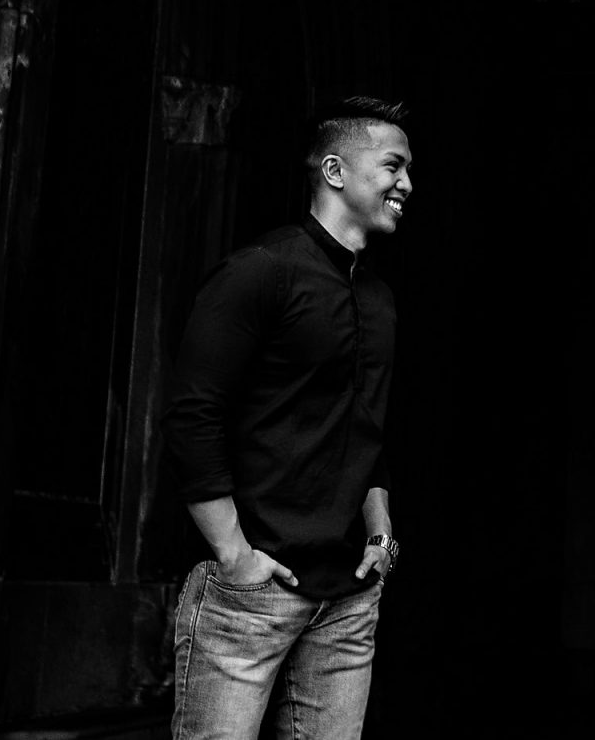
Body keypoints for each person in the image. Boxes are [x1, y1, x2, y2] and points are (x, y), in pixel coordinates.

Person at [164, 96, 414, 740]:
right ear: (335, 171)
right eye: (393, 167)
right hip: (255, 589)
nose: (407, 185)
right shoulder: (260, 271)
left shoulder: (380, 298)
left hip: (349, 599)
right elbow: (193, 413)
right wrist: (233, 553)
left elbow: (367, 430)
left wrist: (381, 534)